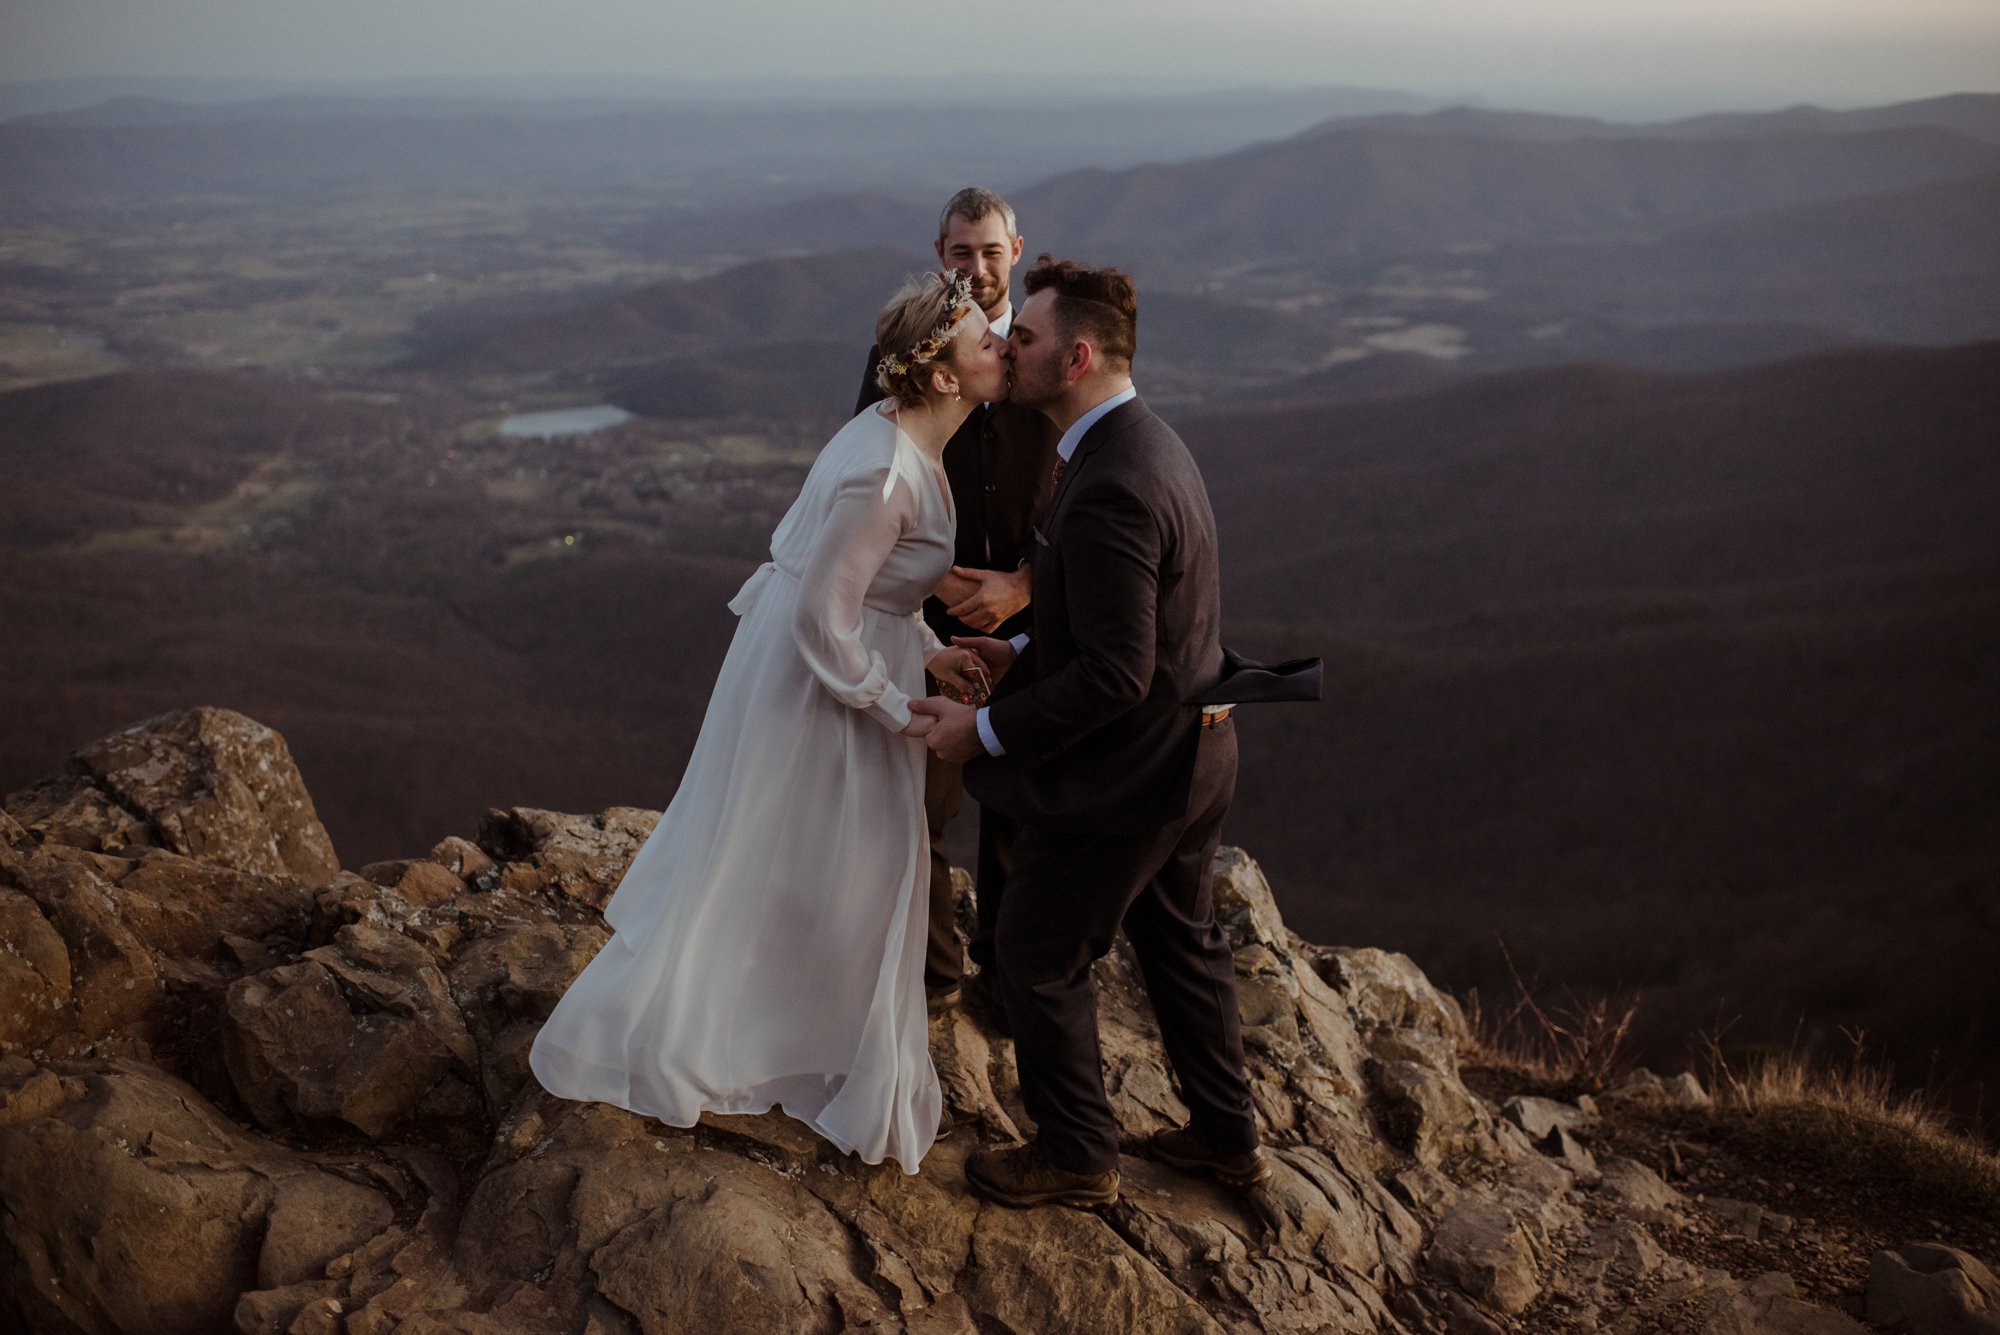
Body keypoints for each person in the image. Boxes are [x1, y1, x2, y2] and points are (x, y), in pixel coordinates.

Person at [530, 271, 1006, 1173]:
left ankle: (796, 1031)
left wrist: (926, 647)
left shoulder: (903, 438)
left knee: (821, 861)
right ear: (942, 375)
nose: (1002, 348)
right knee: (828, 861)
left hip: (840, 662)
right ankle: (745, 1039)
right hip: (822, 684)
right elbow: (822, 615)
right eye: (985, 341)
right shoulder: (882, 469)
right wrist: (896, 702)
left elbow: (873, 591)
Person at [910, 257, 1266, 1207]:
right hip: (1197, 753)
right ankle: (1229, 1138)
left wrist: (983, 730)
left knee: (1034, 950)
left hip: (1139, 774)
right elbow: (1114, 627)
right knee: (1181, 942)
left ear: (1072, 359)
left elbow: (1117, 672)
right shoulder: (1140, 444)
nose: (1003, 345)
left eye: (1020, 337)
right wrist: (1020, 648)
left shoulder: (1112, 482)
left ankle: (1077, 1157)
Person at [853, 188, 1059, 1014]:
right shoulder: (902, 349)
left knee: (1020, 816)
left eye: (991, 252)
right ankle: (936, 982)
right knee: (921, 808)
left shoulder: (1046, 353)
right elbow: (878, 474)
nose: (976, 268)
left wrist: (1024, 587)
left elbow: (1087, 493)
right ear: (940, 253)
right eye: (960, 252)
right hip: (927, 621)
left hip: (1033, 625)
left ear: (1018, 251)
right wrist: (933, 576)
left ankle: (1007, 994)